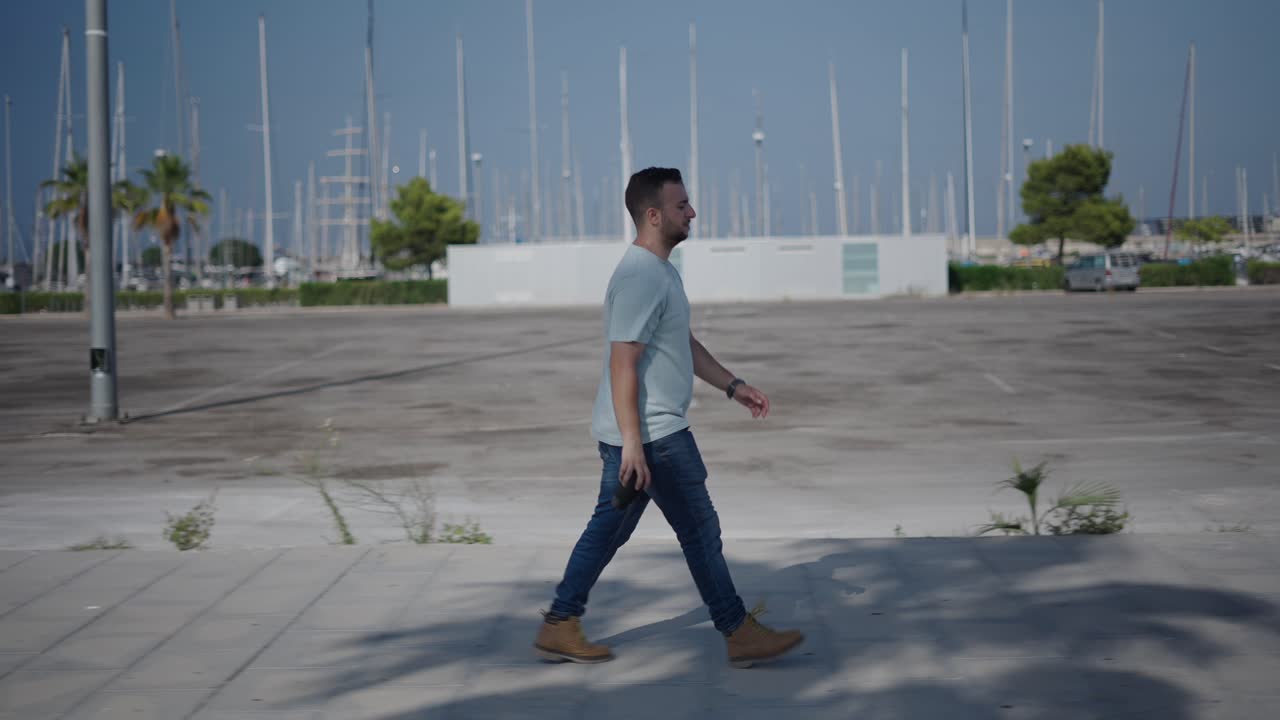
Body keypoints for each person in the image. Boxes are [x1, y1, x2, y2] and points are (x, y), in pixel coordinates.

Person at [533, 167, 803, 669]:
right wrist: (634, 444)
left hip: (639, 435)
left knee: (609, 529)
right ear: (654, 215)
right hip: (654, 437)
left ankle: (559, 623)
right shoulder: (640, 277)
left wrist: (733, 386)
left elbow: (681, 342)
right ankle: (738, 630)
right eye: (682, 206)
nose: (692, 213)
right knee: (700, 530)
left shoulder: (660, 272)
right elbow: (623, 363)